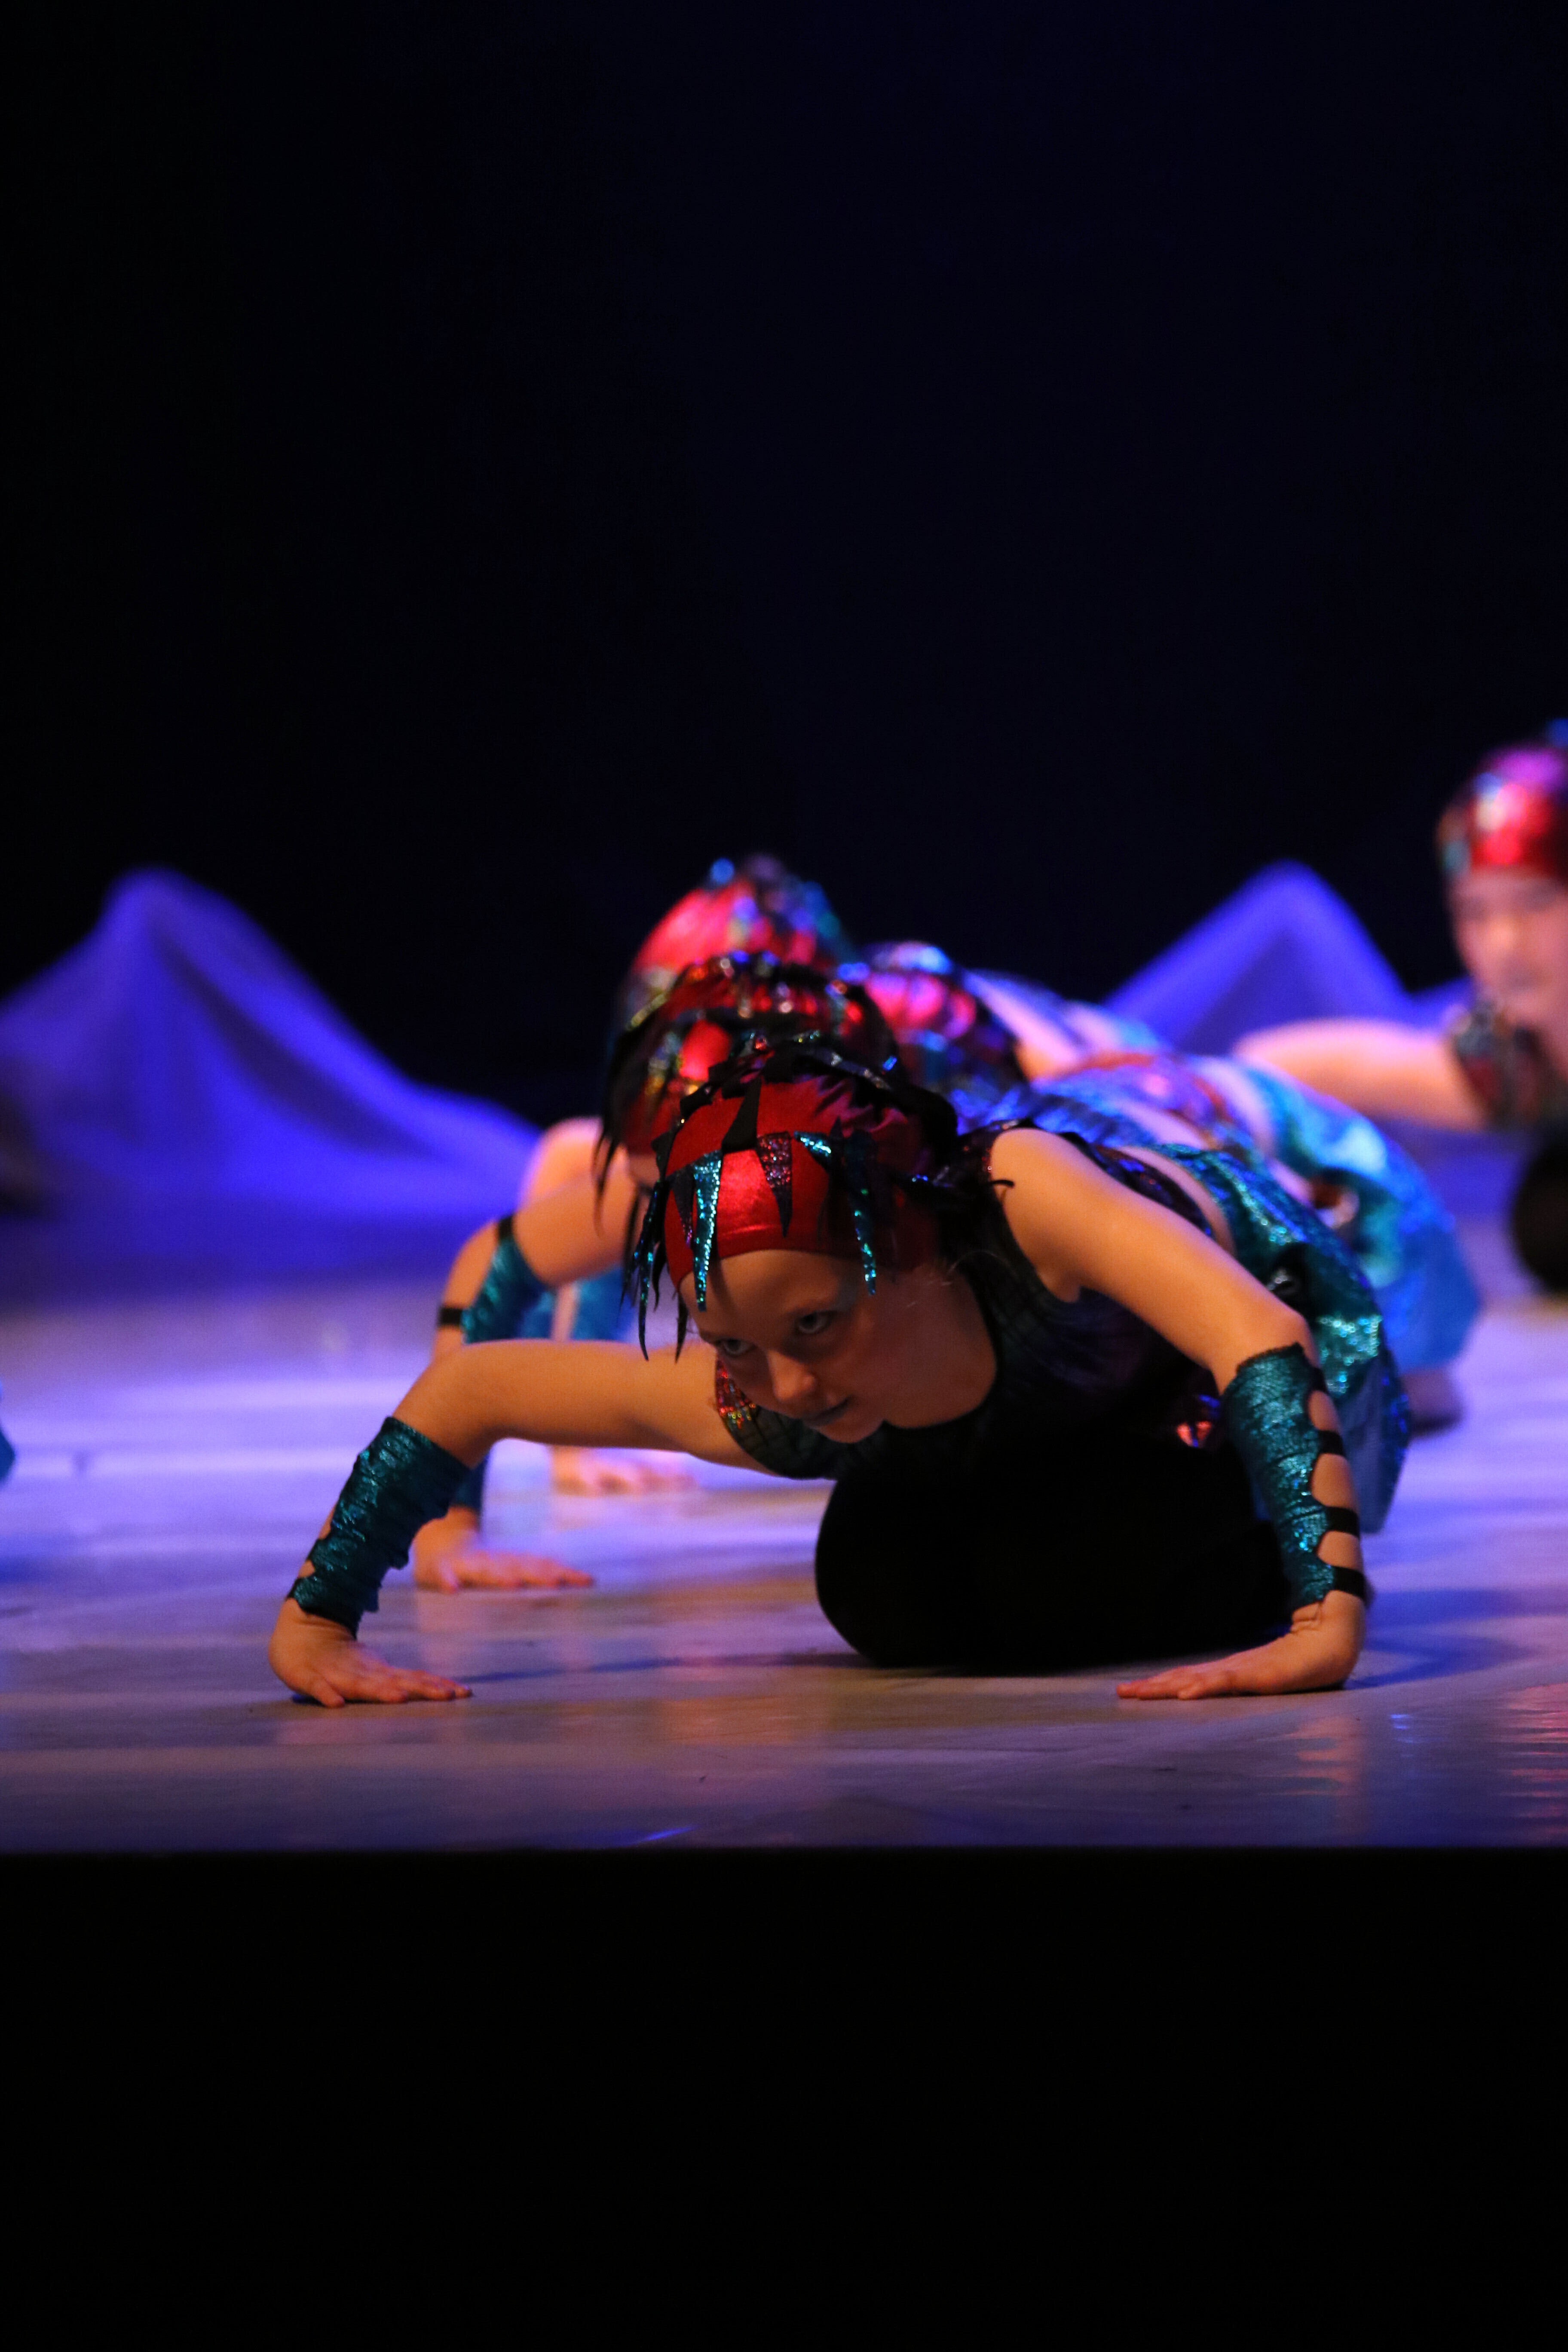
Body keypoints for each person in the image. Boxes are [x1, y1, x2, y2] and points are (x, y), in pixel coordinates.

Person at [269, 1034, 1402, 1709]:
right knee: (879, 1590)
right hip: (1025, 1437)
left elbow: (1259, 1331)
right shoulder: (766, 1393)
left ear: (920, 1258)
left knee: (1050, 1576)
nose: (789, 1383)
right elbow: (475, 1389)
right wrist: (320, 1618)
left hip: (1214, 1385)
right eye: (733, 1343)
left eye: (817, 1324)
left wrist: (1324, 1616)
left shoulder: (1025, 1202)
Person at [1236, 728, 1568, 1288]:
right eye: (1475, 912)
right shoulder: (1509, 1058)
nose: (1504, 944)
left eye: (1536, 902)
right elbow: (1274, 1064)